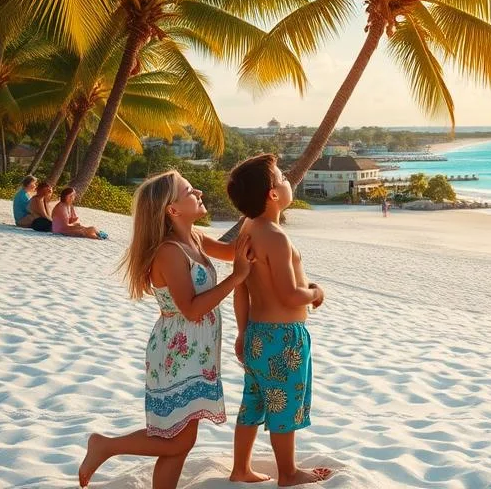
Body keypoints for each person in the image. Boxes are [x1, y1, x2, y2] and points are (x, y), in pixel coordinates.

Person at [78, 171, 253, 488]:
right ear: (172, 210)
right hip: (177, 352)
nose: (198, 190)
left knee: (178, 442)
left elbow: (233, 251)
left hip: (195, 353)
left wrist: (256, 213)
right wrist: (236, 278)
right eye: (188, 190)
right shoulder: (169, 251)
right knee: (177, 440)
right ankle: (106, 445)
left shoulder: (194, 238)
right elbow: (191, 307)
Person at [227, 156, 332, 487]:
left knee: (253, 403)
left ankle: (241, 468)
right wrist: (314, 292)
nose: (288, 181)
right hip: (284, 338)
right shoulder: (275, 236)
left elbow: (241, 289)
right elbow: (289, 295)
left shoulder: (248, 228)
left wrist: (243, 332)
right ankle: (287, 473)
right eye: (282, 177)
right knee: (283, 407)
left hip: (258, 333)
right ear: (273, 194)